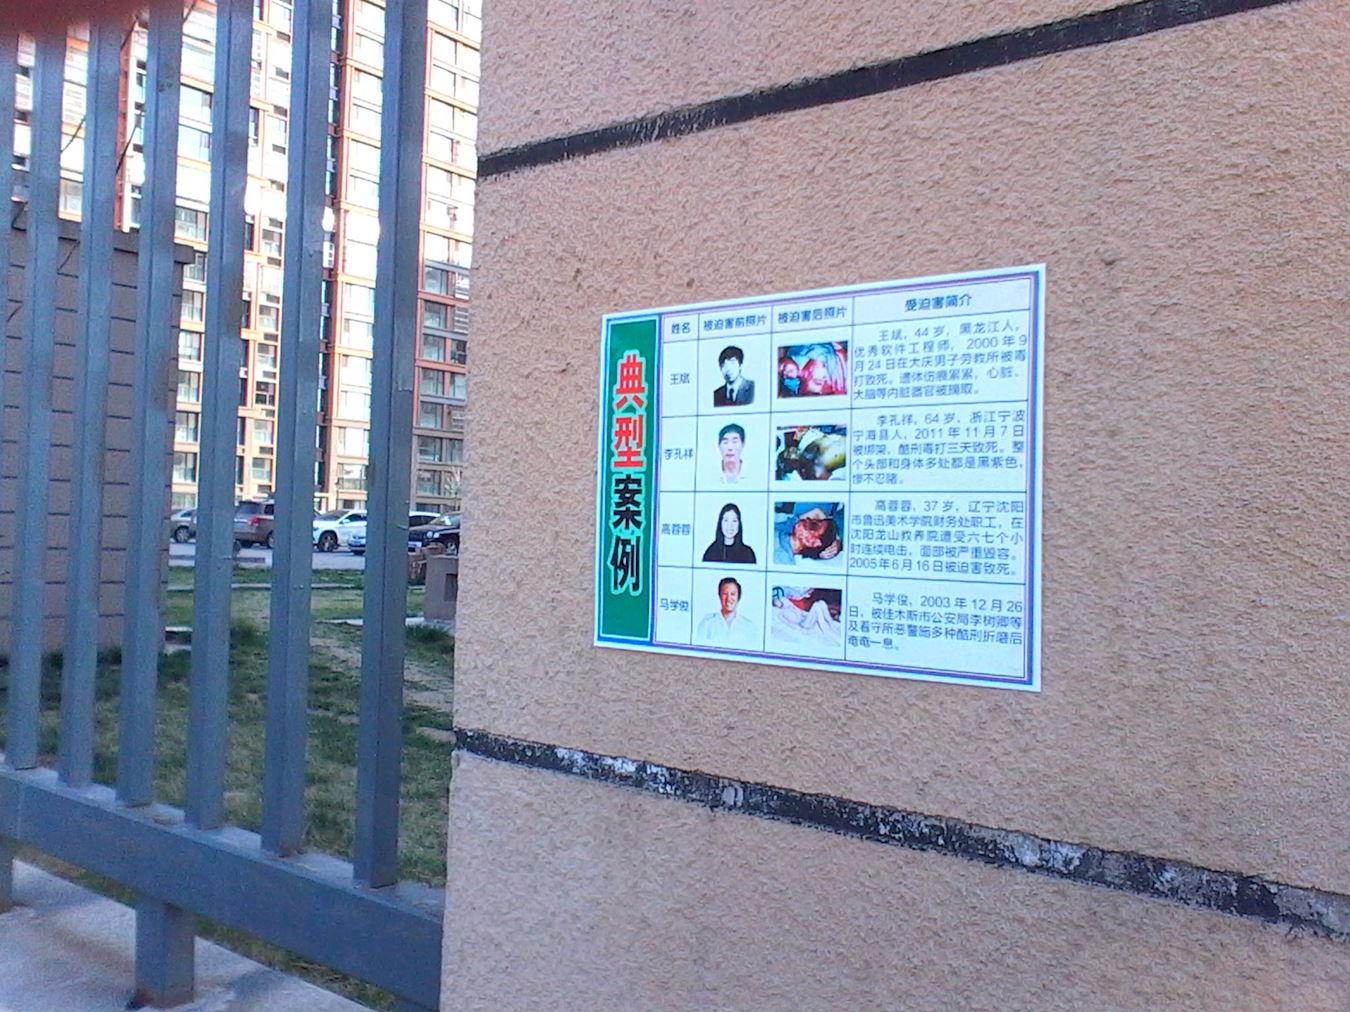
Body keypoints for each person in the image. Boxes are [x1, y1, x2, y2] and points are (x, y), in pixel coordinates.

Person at [694, 576, 758, 649]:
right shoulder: (707, 623)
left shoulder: (748, 626)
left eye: (732, 594)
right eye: (725, 594)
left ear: (738, 597)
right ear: (719, 596)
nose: (728, 598)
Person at [773, 505, 842, 564]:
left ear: (815, 543)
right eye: (815, 520)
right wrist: (837, 538)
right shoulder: (787, 527)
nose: (808, 519)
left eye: (814, 525)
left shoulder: (783, 561)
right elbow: (817, 512)